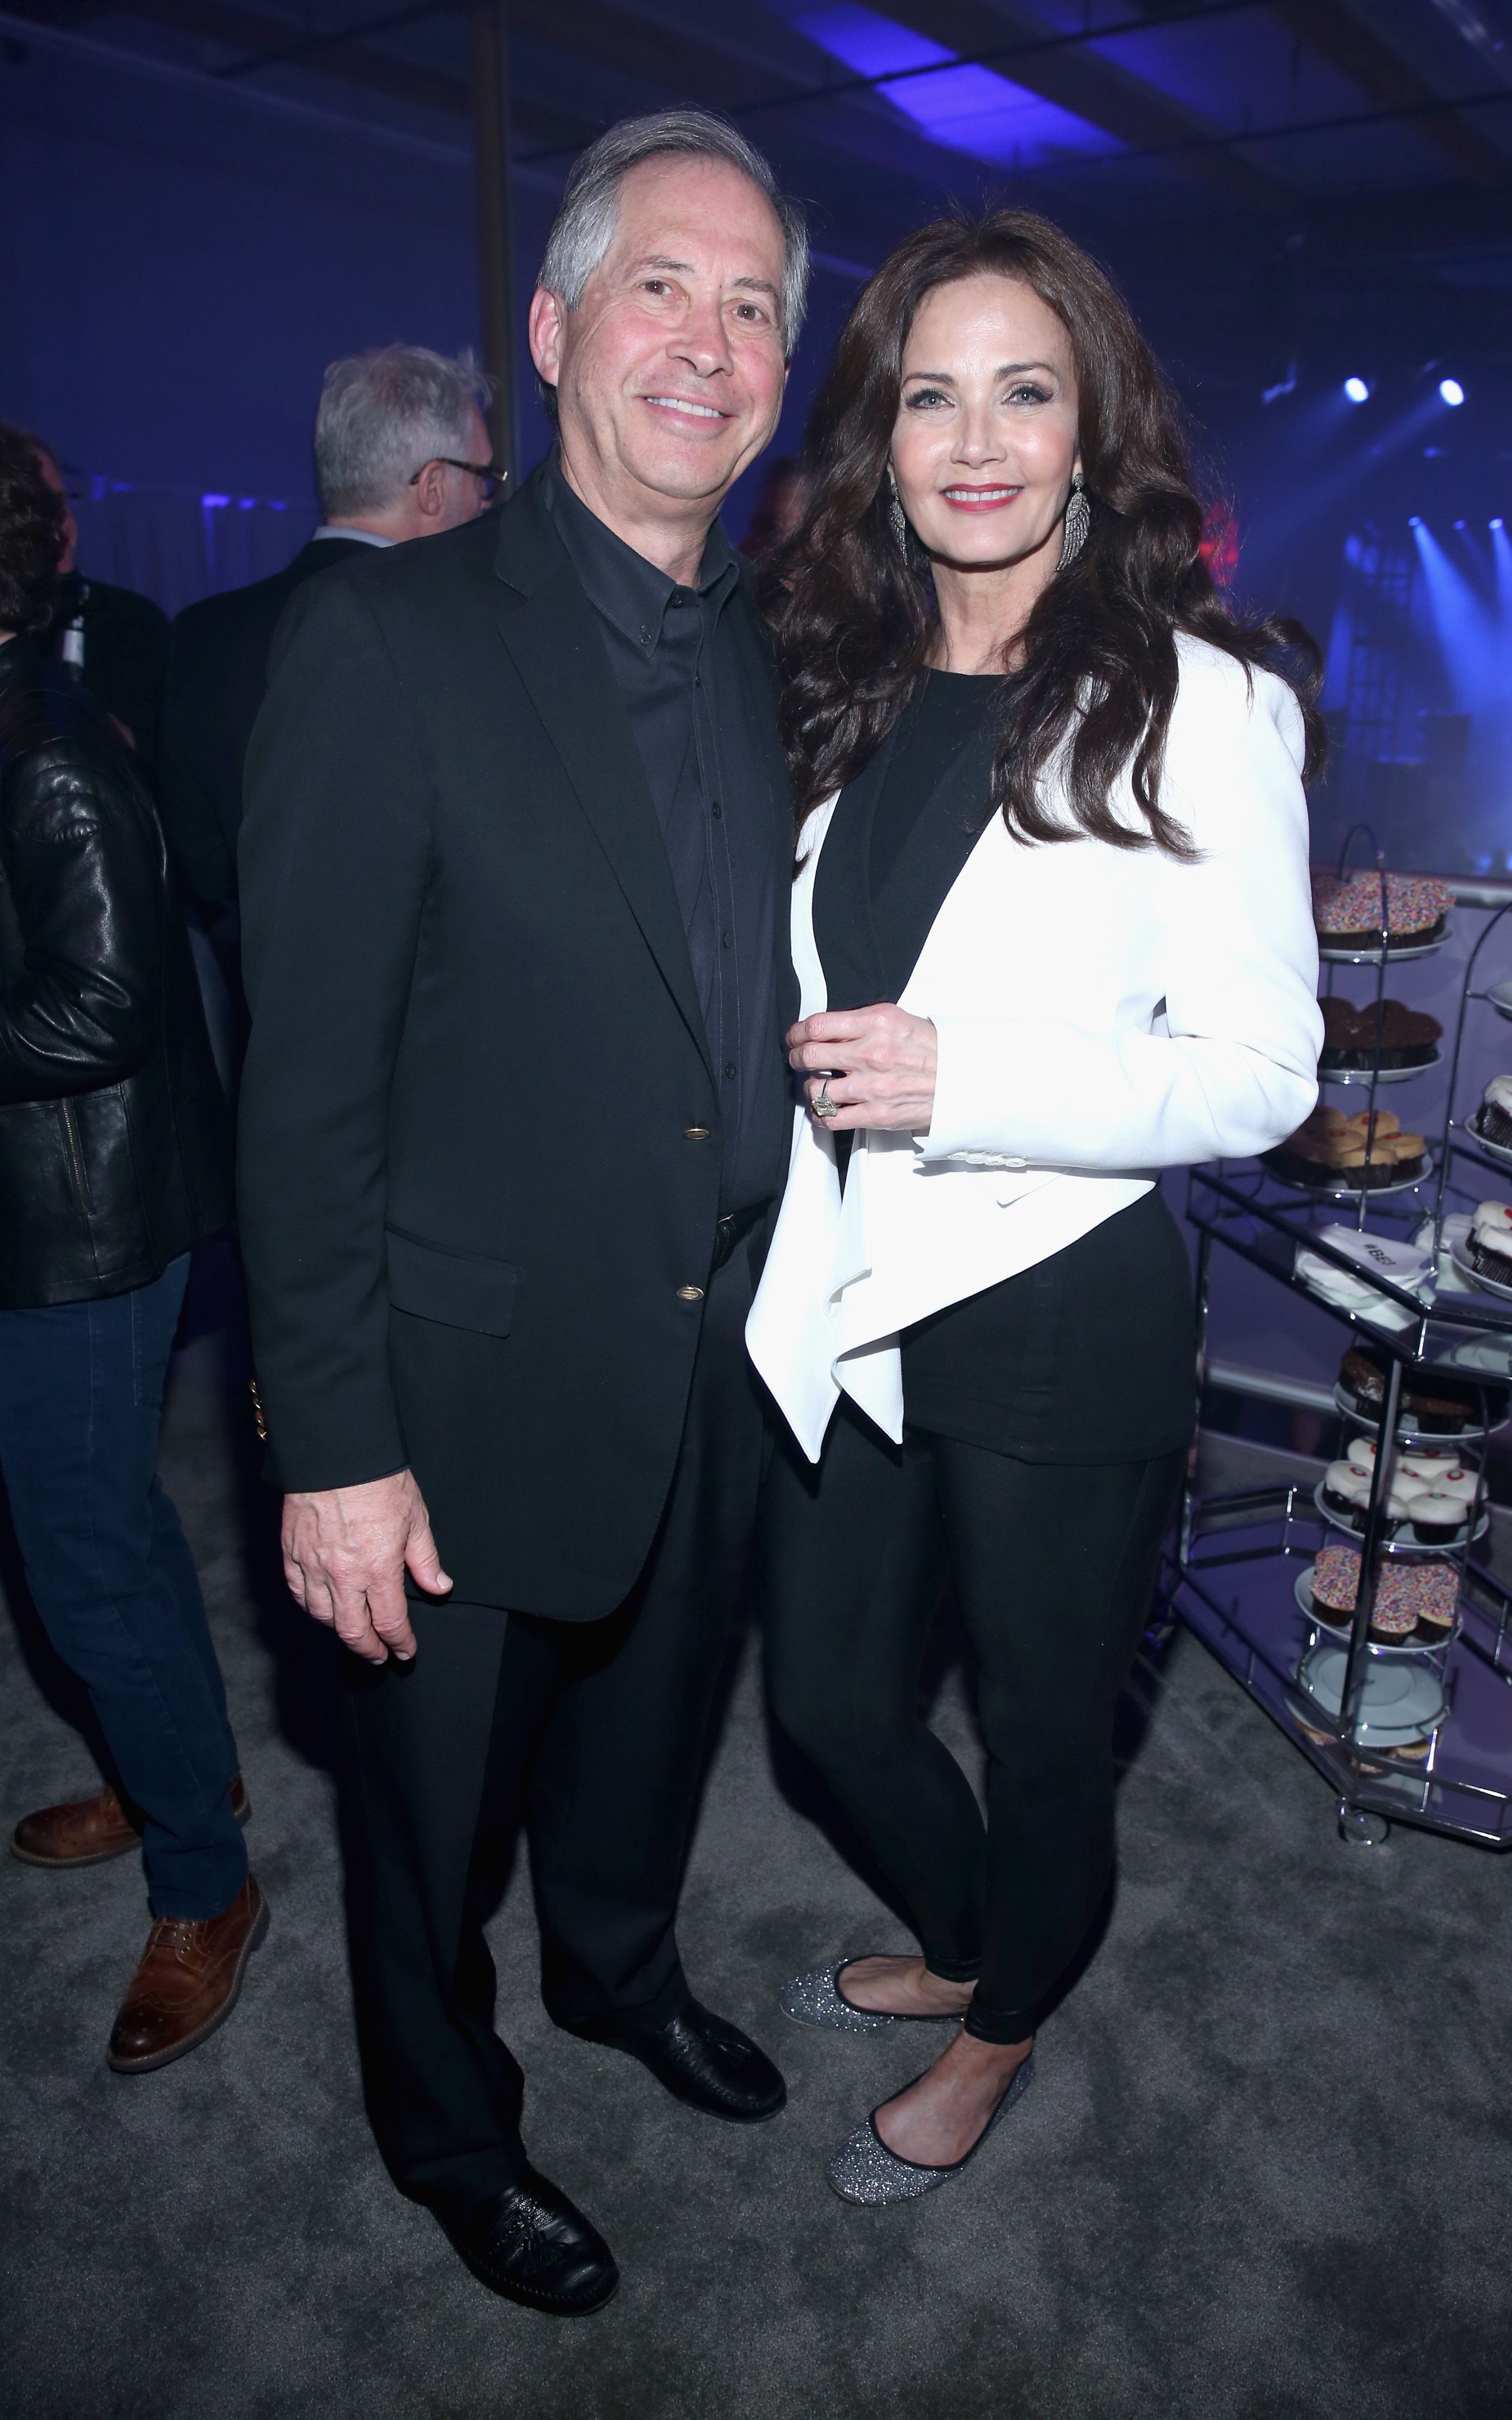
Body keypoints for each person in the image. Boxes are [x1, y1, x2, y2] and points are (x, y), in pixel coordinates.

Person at [236, 110, 806, 2316]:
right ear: (558, 330)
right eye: (668, 283)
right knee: (422, 1819)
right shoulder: (389, 641)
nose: (715, 337)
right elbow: (309, 1095)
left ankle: (617, 1974)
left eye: (758, 304)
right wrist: (335, 1444)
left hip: (703, 1369)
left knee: (648, 1749)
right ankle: (446, 2127)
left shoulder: (767, 648)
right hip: (450, 1411)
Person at [746, 211, 1323, 2206]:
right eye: (929, 395)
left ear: (1091, 429)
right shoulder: (842, 683)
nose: (973, 440)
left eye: (1023, 388)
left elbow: (1266, 1073)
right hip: (856, 1279)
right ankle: (984, 1927)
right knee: (822, 1690)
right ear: (880, 441)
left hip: (1064, 1302)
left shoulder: (1202, 698)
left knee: (1044, 1729)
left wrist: (967, 1081)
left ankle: (993, 2031)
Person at [0, 423, 264, 2072]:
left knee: (82, 1549)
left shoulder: (51, 753)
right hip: (52, 1201)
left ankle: (207, 1879)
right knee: (90, 1542)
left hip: (91, 1225)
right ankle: (184, 1767)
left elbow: (107, 1003)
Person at [158, 346, 497, 923]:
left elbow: (204, 869)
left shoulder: (201, 635)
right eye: (486, 478)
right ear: (434, 487)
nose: (490, 500)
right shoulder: (463, 638)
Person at [29, 435, 170, 772]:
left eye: (61, 501)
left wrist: (110, 737)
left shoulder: (134, 623)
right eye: (33, 507)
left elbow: (177, 769)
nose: (59, 520)